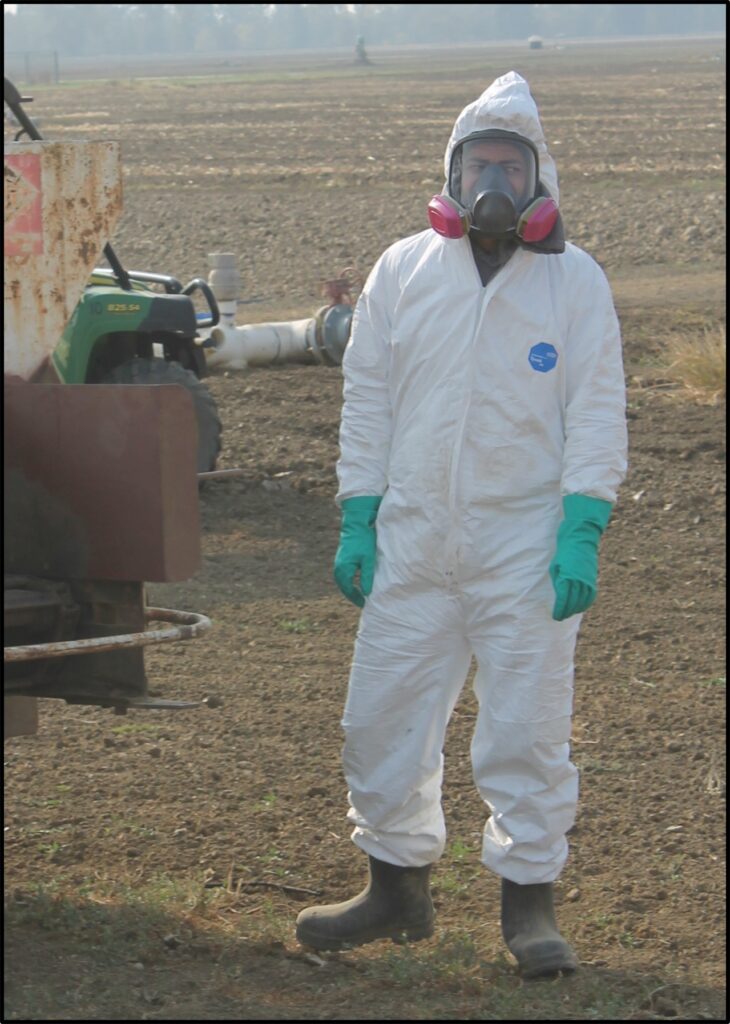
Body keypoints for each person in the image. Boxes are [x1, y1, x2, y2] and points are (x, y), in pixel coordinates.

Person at [295, 70, 628, 979]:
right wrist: (359, 514)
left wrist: (582, 527)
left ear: (537, 182)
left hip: (524, 551)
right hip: (412, 541)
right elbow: (368, 399)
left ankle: (530, 907)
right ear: (451, 172)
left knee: (525, 733)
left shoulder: (575, 284)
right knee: (381, 721)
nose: (493, 184)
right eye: (479, 163)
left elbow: (597, 411)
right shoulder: (402, 271)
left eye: (509, 169)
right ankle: (395, 890)